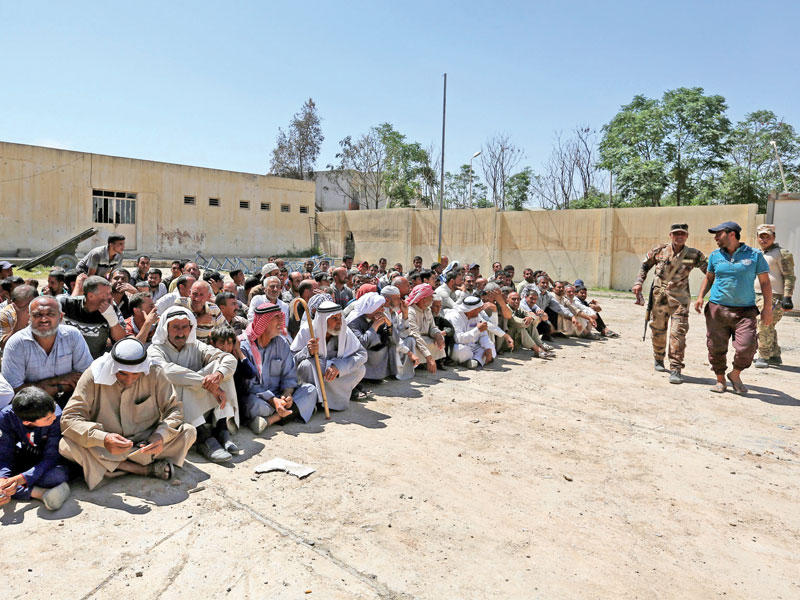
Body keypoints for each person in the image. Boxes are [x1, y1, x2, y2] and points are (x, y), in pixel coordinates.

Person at [60, 338, 196, 490]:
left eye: (136, 374)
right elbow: (69, 418)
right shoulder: (93, 375)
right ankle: (142, 469)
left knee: (189, 431)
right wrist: (103, 438)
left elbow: (174, 410)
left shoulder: (155, 373)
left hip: (146, 444)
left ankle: (112, 468)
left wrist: (160, 436)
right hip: (107, 447)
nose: (129, 380)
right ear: (113, 367)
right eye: (123, 374)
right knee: (66, 445)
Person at [147, 307, 238, 462]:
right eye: (175, 327)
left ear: (191, 328)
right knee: (181, 382)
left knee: (221, 369)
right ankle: (203, 437)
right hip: (170, 409)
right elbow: (167, 372)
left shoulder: (195, 345)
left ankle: (221, 429)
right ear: (165, 328)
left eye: (184, 327)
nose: (181, 333)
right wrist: (204, 382)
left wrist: (217, 375)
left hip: (198, 402)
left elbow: (229, 359)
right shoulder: (155, 349)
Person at [694, 221, 772, 394]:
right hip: (717, 309)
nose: (715, 238)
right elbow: (709, 277)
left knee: (747, 346)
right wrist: (700, 297)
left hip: (745, 310)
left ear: (731, 234)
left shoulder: (754, 255)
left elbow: (765, 283)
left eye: (718, 234)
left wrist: (767, 309)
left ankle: (735, 374)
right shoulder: (715, 256)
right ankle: (720, 379)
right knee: (716, 347)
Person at [633, 223, 708, 384]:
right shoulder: (659, 251)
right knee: (658, 330)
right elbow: (645, 266)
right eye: (676, 234)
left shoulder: (693, 255)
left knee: (678, 332)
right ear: (670, 235)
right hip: (659, 296)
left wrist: (708, 292)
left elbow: (709, 272)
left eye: (682, 234)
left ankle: (675, 368)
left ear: (687, 236)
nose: (679, 236)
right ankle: (658, 358)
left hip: (680, 299)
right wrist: (638, 283)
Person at [239, 303, 317, 433]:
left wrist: (287, 395)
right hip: (259, 398)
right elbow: (249, 385)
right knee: (252, 405)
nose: (282, 322)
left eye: (282, 317)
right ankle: (295, 411)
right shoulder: (244, 347)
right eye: (277, 318)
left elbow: (289, 375)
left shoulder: (281, 343)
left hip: (278, 396)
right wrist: (273, 400)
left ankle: (271, 420)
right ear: (264, 322)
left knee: (310, 390)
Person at [1, 296, 92, 407]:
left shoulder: (72, 335)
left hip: (70, 400)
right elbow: (15, 391)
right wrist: (59, 383)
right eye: (37, 315)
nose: (44, 319)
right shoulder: (16, 343)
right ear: (29, 318)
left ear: (60, 317)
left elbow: (85, 377)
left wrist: (43, 387)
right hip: (31, 406)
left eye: (50, 314)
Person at [0, 387, 71, 511]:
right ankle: (37, 493)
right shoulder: (6, 417)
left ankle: (18, 489)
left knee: (57, 475)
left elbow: (52, 457)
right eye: (48, 419)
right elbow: (5, 454)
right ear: (27, 422)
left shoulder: (56, 415)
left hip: (45, 463)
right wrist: (3, 480)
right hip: (23, 457)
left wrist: (20, 479)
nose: (54, 418)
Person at [291, 300, 367, 409]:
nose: (339, 322)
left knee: (360, 369)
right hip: (315, 372)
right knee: (307, 365)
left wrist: (340, 366)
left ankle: (332, 400)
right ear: (324, 320)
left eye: (340, 317)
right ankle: (315, 400)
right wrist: (307, 351)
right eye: (334, 318)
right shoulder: (307, 330)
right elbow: (291, 360)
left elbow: (362, 354)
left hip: (333, 374)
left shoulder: (344, 330)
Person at [752, 224, 795, 368]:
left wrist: (787, 297)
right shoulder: (758, 253)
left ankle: (763, 356)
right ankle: (774, 355)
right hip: (757, 295)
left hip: (774, 296)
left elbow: (789, 276)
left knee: (764, 324)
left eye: (767, 236)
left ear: (773, 237)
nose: (764, 239)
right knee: (768, 325)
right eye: (761, 236)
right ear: (757, 238)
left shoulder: (781, 253)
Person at [60, 275, 126, 358]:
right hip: (65, 360)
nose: (110, 297)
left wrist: (112, 319)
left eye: (110, 293)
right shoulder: (65, 304)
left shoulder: (111, 307)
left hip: (93, 362)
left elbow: (121, 338)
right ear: (91, 296)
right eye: (106, 294)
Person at [445, 296, 496, 368]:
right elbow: (458, 339)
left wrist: (488, 349)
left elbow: (483, 335)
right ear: (472, 310)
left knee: (490, 345)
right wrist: (477, 330)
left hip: (475, 347)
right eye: (478, 309)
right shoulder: (454, 317)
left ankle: (474, 361)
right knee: (459, 350)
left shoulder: (476, 316)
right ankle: (479, 360)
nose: (480, 311)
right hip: (462, 347)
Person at [381, 285, 419, 380]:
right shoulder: (381, 313)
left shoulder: (393, 312)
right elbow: (391, 337)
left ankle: (402, 372)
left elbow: (403, 333)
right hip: (384, 344)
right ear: (387, 300)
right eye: (397, 298)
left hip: (395, 342)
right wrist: (410, 353)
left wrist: (405, 315)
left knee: (410, 340)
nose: (400, 301)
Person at [405, 284, 446, 373]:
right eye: (430, 296)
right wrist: (429, 357)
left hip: (425, 337)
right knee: (413, 341)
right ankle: (423, 362)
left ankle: (429, 362)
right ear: (423, 299)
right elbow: (415, 335)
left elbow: (432, 327)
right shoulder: (411, 311)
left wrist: (437, 334)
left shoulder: (427, 310)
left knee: (440, 337)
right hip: (414, 338)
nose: (432, 298)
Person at [0, 284, 36, 354]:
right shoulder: (5, 314)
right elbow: (3, 346)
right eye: (22, 308)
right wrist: (19, 325)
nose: (27, 311)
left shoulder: (45, 311)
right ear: (13, 304)